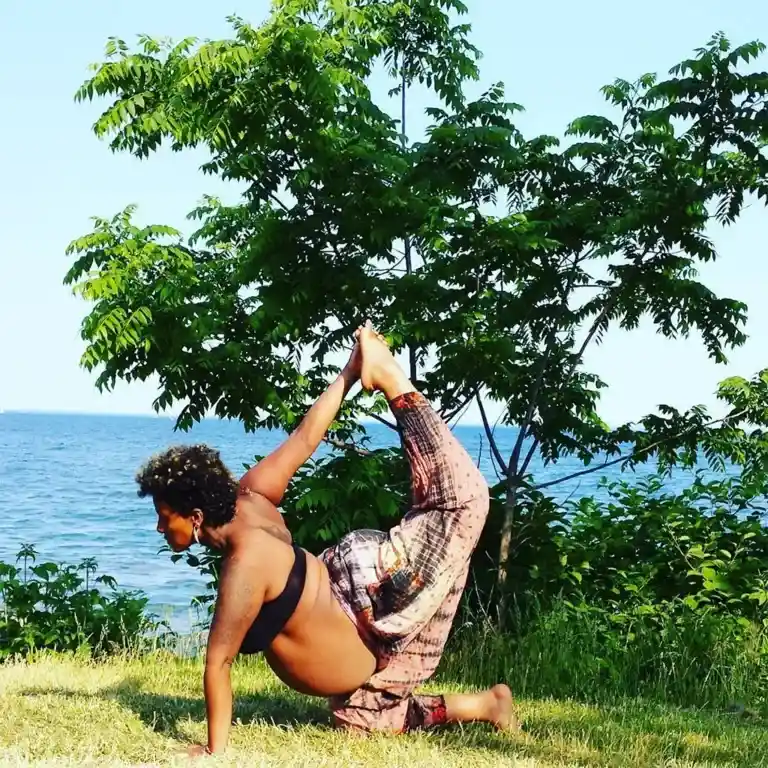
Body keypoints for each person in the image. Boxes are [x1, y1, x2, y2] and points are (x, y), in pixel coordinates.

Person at [135, 321, 517, 757]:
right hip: (366, 615)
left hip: (377, 597)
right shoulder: (253, 495)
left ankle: (394, 381)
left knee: (463, 504)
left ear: (196, 516)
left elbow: (217, 663)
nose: (160, 528)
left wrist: (213, 750)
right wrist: (349, 374)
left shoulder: (246, 563)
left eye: (165, 518)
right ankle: (489, 705)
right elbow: (305, 436)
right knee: (368, 720)